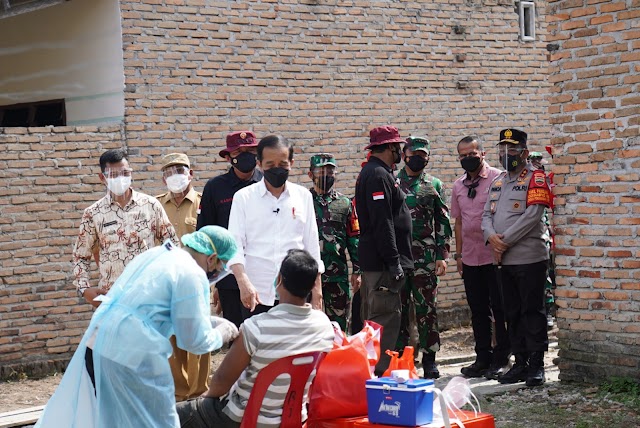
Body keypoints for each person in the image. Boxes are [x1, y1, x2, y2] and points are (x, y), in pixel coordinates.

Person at [36, 226, 241, 428]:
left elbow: (169, 314)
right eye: (220, 268)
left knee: (111, 418)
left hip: (100, 342)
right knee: (156, 421)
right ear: (212, 258)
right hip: (132, 353)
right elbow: (193, 341)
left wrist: (211, 322)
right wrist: (223, 333)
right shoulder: (193, 274)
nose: (217, 275)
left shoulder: (160, 254)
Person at [177, 249, 335, 428]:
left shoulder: (256, 328)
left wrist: (206, 397)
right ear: (313, 284)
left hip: (244, 417)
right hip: (295, 418)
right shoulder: (325, 326)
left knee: (170, 414)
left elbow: (221, 382)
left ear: (279, 280)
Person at [481, 128, 552, 387]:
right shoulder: (498, 181)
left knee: (532, 311)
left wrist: (504, 241)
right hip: (504, 260)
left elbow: (533, 215)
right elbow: (486, 216)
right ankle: (520, 362)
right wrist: (491, 238)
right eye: (502, 149)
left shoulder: (536, 178)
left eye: (511, 149)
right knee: (512, 312)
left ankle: (536, 364)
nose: (506, 153)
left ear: (523, 151)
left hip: (529, 257)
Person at [227, 135, 324, 318]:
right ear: (259, 164)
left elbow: (311, 246)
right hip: (256, 293)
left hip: (296, 293)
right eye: (270, 165)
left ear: (291, 163)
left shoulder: (303, 196)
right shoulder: (244, 198)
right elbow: (235, 245)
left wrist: (317, 292)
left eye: (283, 164)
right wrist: (243, 281)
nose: (276, 169)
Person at [72, 148, 178, 307]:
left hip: (150, 296)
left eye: (125, 173)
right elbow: (81, 256)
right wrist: (84, 289)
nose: (120, 179)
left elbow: (172, 246)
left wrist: (169, 281)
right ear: (102, 178)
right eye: (113, 175)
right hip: (112, 299)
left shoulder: (150, 205)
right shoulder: (93, 213)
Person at [355, 125, 413, 375]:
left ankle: (372, 376)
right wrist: (394, 262)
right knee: (384, 322)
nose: (400, 151)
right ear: (390, 147)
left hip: (376, 264)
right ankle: (379, 379)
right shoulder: (378, 174)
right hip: (382, 266)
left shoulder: (376, 172)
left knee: (374, 322)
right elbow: (383, 222)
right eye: (398, 147)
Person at [451, 136, 510, 380]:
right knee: (477, 310)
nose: (467, 158)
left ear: (482, 153)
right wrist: (459, 255)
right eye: (462, 155)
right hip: (471, 257)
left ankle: (502, 357)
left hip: (494, 256)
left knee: (500, 309)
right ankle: (482, 357)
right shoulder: (458, 186)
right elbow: (459, 222)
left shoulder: (499, 178)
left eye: (471, 153)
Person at [156, 153, 211, 402]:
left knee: (197, 337)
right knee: (172, 338)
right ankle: (179, 393)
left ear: (191, 173)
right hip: (167, 283)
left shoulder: (203, 203)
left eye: (180, 170)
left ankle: (199, 392)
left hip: (197, 282)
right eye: (168, 172)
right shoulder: (156, 206)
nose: (174, 176)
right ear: (163, 178)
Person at [395, 136, 452, 379]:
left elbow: (442, 222)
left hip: (426, 259)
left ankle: (430, 360)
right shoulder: (392, 181)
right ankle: (401, 359)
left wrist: (442, 255)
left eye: (423, 154)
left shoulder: (434, 184)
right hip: (398, 257)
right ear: (404, 153)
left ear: (428, 157)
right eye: (413, 153)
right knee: (398, 310)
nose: (418, 158)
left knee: (427, 310)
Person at [197, 131, 262, 328]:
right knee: (236, 333)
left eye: (250, 151)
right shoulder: (215, 188)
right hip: (229, 278)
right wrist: (214, 280)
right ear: (228, 157)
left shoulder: (266, 184)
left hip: (263, 273)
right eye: (239, 151)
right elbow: (206, 235)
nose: (245, 156)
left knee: (265, 334)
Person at [308, 153, 361, 332]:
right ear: (310, 174)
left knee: (338, 325)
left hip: (337, 273)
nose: (326, 175)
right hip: (307, 274)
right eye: (321, 171)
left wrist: (357, 270)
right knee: (308, 325)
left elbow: (354, 238)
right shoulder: (302, 201)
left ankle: (338, 359)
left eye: (330, 171)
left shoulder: (345, 203)